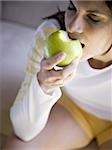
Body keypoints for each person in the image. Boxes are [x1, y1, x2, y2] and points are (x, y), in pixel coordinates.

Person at [4, 0, 112, 149]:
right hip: (76, 108)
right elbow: (23, 130)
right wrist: (43, 87)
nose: (72, 26)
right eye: (72, 7)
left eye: (93, 18)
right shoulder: (49, 36)